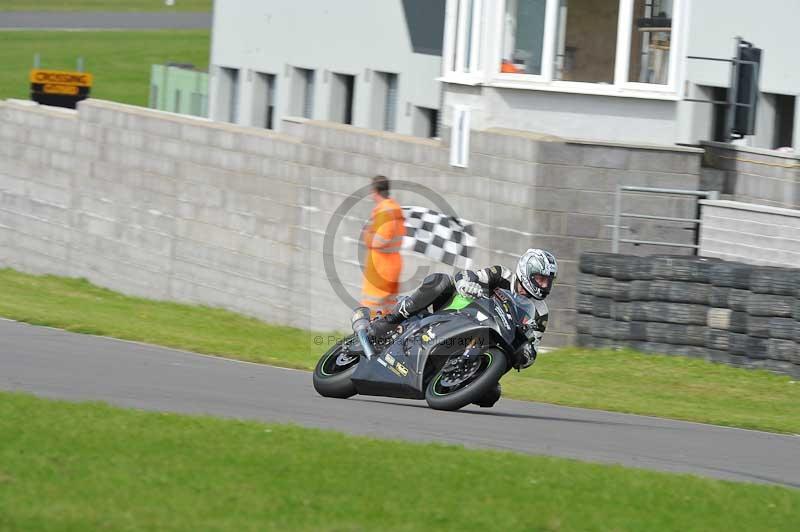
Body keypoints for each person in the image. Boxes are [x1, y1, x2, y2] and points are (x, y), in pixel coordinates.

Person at [368, 248, 558, 371]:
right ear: (527, 272)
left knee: (491, 396)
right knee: (441, 282)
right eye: (540, 279)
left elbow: (532, 345)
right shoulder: (502, 275)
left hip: (487, 340)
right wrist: (466, 283)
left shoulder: (541, 312)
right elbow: (467, 274)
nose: (544, 285)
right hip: (460, 310)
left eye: (548, 281)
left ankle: (465, 373)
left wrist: (526, 355)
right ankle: (390, 321)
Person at [360, 176, 405, 317]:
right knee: (389, 309)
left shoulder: (384, 211)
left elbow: (380, 241)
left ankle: (369, 337)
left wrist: (367, 234)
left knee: (372, 308)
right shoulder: (395, 208)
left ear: (375, 191)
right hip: (392, 264)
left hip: (380, 267)